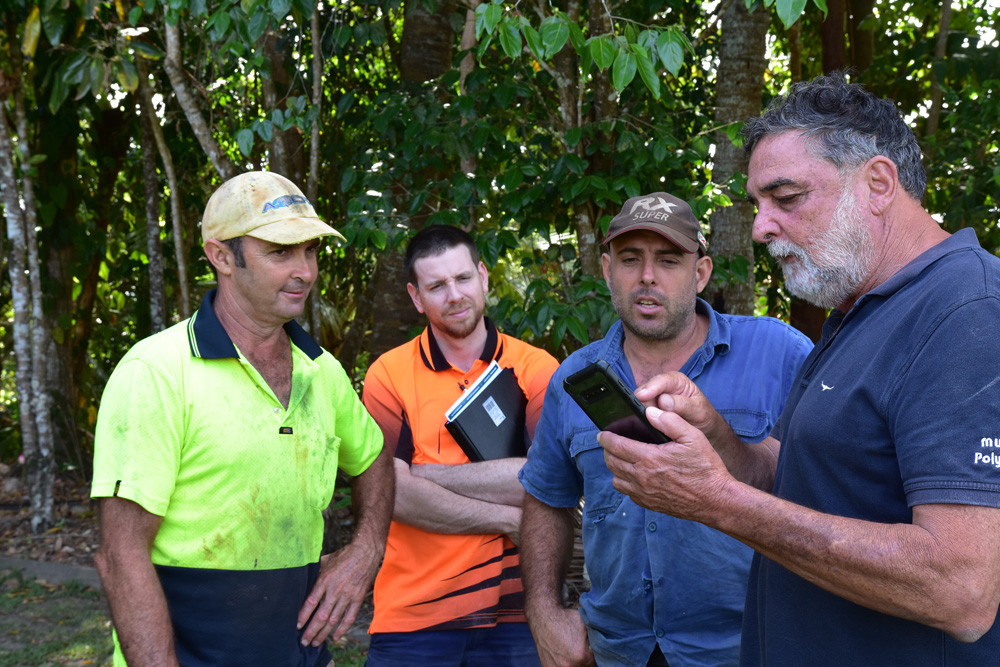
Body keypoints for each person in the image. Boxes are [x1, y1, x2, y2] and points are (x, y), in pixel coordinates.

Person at [600, 74, 1000, 665]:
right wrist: (713, 432)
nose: (762, 227)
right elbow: (792, 473)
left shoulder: (966, 311)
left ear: (878, 183)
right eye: (759, 205)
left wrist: (715, 503)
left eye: (785, 199)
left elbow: (961, 591)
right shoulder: (858, 310)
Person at [91, 171, 394, 666]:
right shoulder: (156, 373)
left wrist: (366, 550)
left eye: (311, 251)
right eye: (280, 252)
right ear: (221, 257)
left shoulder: (321, 370)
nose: (305, 271)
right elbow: (121, 556)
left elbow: (375, 460)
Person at [517, 192, 813, 666]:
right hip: (619, 650)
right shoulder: (576, 376)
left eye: (669, 260)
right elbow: (545, 497)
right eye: (631, 259)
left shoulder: (779, 353)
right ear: (607, 268)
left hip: (749, 647)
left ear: (701, 273)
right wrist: (543, 610)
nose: (648, 276)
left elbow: (826, 489)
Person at [361, 225, 559, 665]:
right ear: (417, 298)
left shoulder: (536, 369)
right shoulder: (388, 375)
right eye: (436, 286)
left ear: (484, 276)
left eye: (463, 278)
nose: (454, 295)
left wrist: (427, 474)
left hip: (521, 611)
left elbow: (546, 482)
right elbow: (392, 493)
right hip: (414, 616)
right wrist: (507, 518)